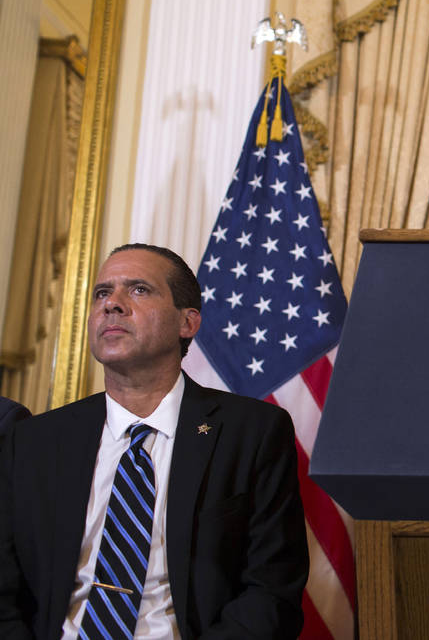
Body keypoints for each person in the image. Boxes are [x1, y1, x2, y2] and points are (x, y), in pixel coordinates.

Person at [0, 243, 308, 639]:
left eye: (139, 289)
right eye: (102, 292)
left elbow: (271, 593)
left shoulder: (253, 433)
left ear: (188, 322)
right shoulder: (33, 440)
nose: (112, 304)